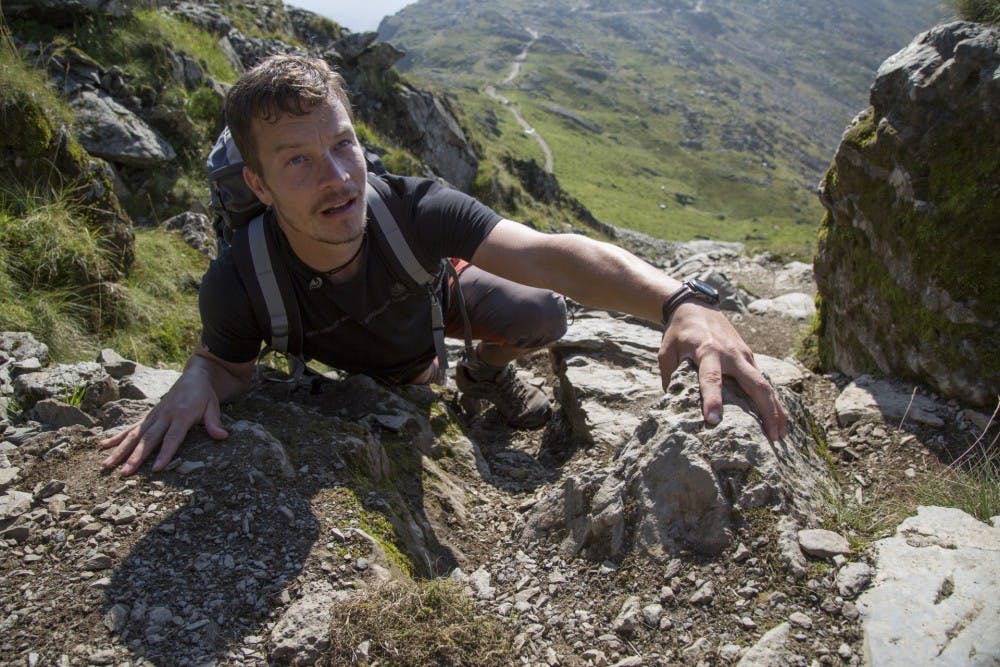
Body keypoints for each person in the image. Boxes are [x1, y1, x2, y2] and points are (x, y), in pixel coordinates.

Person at [100, 54, 787, 477]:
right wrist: (197, 377)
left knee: (541, 311)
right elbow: (224, 365)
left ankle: (484, 376)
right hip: (377, 370)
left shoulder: (414, 209)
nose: (336, 178)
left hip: (436, 306)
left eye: (342, 144)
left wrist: (683, 304)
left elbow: (549, 253)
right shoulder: (240, 279)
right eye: (297, 160)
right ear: (257, 184)